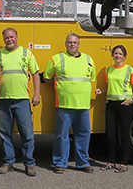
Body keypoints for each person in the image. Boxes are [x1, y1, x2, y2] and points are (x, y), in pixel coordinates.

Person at [43, 33, 96, 174]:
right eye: (69, 42)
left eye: (75, 42)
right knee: (62, 135)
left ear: (79, 44)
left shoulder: (88, 59)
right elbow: (47, 78)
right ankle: (60, 163)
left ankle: (83, 162)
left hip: (83, 105)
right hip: (64, 105)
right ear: (65, 44)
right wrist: (59, 89)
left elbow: (91, 79)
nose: (72, 45)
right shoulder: (56, 59)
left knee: (84, 134)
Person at [0, 28, 40, 176]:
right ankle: (7, 162)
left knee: (27, 134)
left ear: (17, 37)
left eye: (12, 37)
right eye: (6, 37)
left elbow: (36, 74)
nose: (9, 39)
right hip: (4, 100)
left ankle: (29, 164)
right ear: (3, 39)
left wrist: (37, 94)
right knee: (5, 134)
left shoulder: (27, 53)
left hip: (22, 100)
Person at [94, 45, 133, 173]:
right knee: (110, 135)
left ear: (124, 56)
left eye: (120, 54)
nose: (118, 56)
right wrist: (101, 91)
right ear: (112, 55)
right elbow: (110, 88)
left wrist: (131, 99)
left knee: (124, 135)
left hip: (124, 106)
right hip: (111, 105)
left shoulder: (129, 70)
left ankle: (124, 163)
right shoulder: (108, 70)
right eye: (116, 53)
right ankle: (111, 161)